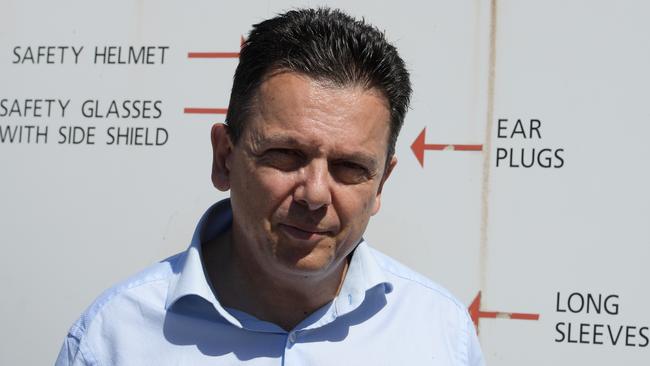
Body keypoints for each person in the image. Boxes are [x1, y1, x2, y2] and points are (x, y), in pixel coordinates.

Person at [56, 8, 484, 365]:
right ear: (224, 157)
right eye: (285, 155)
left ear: (381, 184)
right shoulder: (113, 339)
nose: (315, 193)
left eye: (349, 166)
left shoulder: (441, 338)